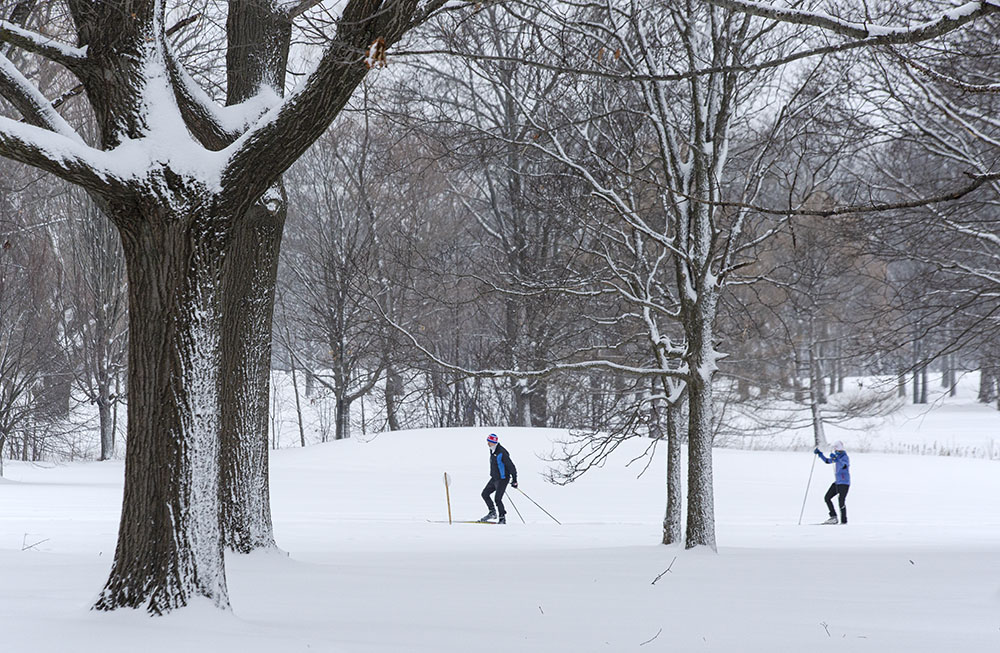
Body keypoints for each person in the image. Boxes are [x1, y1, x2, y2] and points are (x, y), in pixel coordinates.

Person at [479, 433, 517, 524]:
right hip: (495, 478)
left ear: (493, 442)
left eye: (489, 442)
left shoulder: (502, 452)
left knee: (498, 499)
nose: (487, 443)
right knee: (485, 494)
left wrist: (514, 480)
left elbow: (511, 466)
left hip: (502, 479)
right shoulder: (492, 450)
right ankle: (492, 513)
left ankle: (502, 518)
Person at [814, 440, 850, 524]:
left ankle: (844, 521)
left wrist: (836, 459)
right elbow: (827, 461)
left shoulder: (844, 457)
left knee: (841, 500)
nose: (836, 451)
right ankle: (833, 517)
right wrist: (820, 454)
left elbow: (844, 466)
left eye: (837, 450)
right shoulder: (837, 457)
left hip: (844, 483)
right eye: (835, 450)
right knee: (827, 497)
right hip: (837, 482)